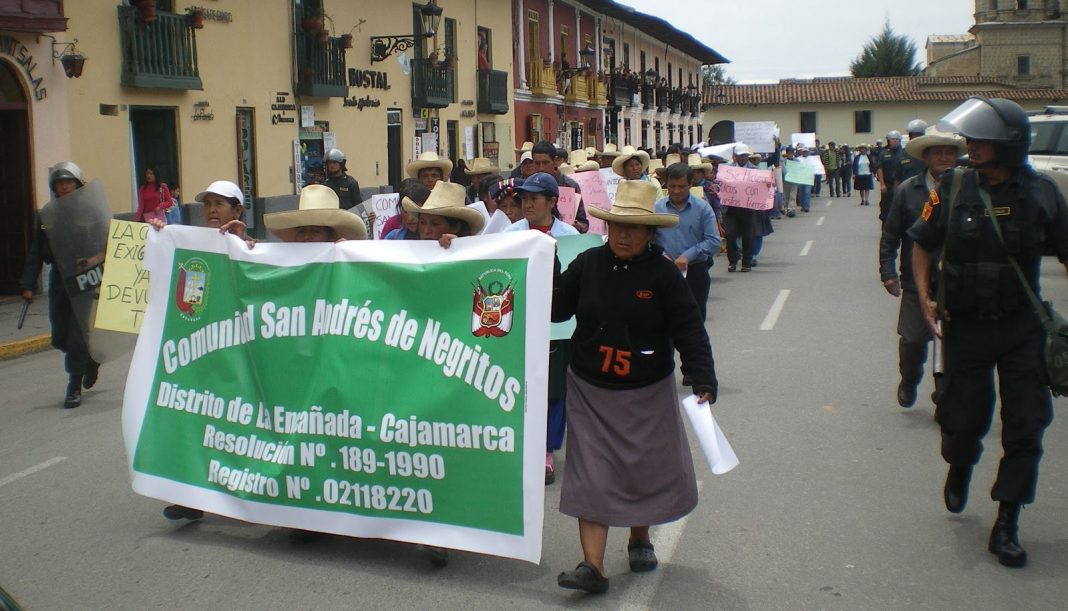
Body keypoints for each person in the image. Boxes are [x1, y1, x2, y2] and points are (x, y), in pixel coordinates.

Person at [909, 97, 1068, 568]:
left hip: (1022, 328)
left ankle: (1007, 520)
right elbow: (921, 243)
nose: (970, 147)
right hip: (966, 329)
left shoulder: (1043, 194)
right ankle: (960, 465)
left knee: (1026, 425)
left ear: (1008, 146)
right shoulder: (952, 187)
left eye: (981, 141)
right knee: (961, 420)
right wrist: (924, 297)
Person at [552, 179, 718, 594]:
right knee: (591, 474)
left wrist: (701, 374)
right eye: (618, 226)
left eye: (634, 228)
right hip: (590, 387)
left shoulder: (663, 274)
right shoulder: (587, 265)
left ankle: (639, 536)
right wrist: (543, 265)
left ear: (649, 233)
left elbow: (688, 328)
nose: (624, 235)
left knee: (640, 470)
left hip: (646, 389)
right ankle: (592, 566)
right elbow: (556, 308)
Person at [157, 179, 249, 522]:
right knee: (200, 424)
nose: (212, 210)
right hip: (202, 353)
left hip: (242, 357)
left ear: (237, 210)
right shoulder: (191, 250)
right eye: (207, 203)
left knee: (238, 429)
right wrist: (158, 238)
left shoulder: (251, 246)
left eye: (220, 203)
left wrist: (242, 242)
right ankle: (191, 496)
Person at [879, 129, 964, 408]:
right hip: (917, 281)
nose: (944, 157)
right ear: (926, 157)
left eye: (949, 152)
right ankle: (909, 379)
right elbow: (891, 234)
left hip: (957, 281)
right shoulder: (908, 190)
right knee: (913, 341)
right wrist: (888, 272)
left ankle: (943, 392)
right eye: (937, 152)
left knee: (950, 343)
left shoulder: (969, 187)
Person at [503, 172, 578, 484]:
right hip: (520, 320)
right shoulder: (511, 233)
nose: (528, 203)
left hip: (558, 325)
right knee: (522, 386)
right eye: (525, 198)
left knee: (555, 390)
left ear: (552, 201)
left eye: (535, 198)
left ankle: (547, 450)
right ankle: (521, 446)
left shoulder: (570, 235)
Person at [19, 162, 100, 409]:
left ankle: (74, 386)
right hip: (58, 280)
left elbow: (105, 244)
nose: (64, 186)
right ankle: (89, 358)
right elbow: (36, 251)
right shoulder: (47, 215)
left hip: (84, 278)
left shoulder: (90, 211)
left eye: (69, 182)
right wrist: (29, 283)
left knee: (76, 334)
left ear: (78, 185)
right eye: (60, 183)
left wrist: (93, 261)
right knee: (60, 336)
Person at [655, 162, 720, 321]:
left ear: (691, 184)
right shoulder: (657, 208)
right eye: (672, 186)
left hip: (695, 272)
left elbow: (713, 242)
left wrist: (688, 256)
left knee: (694, 322)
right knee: (664, 321)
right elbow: (649, 239)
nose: (676, 191)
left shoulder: (703, 208)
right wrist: (661, 256)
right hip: (664, 271)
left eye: (682, 186)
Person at [531, 141, 588, 232]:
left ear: (555, 161)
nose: (541, 168)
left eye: (545, 163)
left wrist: (578, 226)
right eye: (537, 163)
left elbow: (584, 224)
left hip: (565, 240)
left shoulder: (570, 186)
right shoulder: (528, 186)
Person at [723, 143, 759, 272]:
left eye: (745, 155)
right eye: (740, 156)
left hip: (748, 208)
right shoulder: (726, 170)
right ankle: (732, 261)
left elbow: (761, 188)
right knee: (730, 235)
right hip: (731, 209)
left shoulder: (755, 170)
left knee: (748, 236)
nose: (743, 158)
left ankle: (747, 262)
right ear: (735, 157)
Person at [322, 148, 371, 231]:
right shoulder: (325, 184)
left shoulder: (351, 183)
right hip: (330, 223)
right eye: (329, 163)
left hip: (348, 222)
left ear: (341, 164)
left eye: (334, 162)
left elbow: (358, 205)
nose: (332, 165)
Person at [877, 130, 903, 223]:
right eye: (893, 139)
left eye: (897, 139)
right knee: (886, 207)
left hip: (901, 184)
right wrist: (882, 184)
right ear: (889, 140)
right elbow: (880, 169)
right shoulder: (883, 153)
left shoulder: (904, 152)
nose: (895, 141)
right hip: (888, 185)